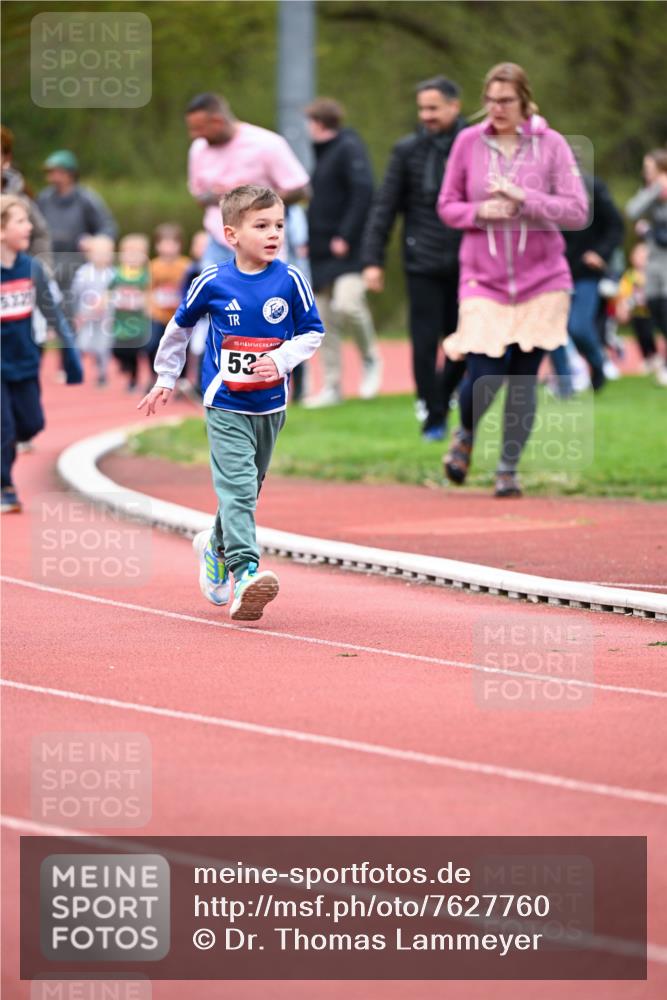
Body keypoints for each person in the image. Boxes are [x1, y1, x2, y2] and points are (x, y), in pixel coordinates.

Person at [138, 185, 325, 622]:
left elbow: (312, 333)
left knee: (248, 490)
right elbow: (179, 330)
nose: (273, 233)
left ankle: (215, 547)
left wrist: (279, 359)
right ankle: (245, 573)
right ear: (232, 234)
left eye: (279, 225)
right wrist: (166, 376)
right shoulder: (213, 282)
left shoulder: (292, 280)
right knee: (239, 488)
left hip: (271, 404)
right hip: (223, 402)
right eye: (261, 226)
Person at [437, 62, 588, 497]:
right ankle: (465, 432)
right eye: (490, 99)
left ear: (525, 101)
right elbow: (447, 206)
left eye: (505, 100)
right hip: (483, 281)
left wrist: (528, 200)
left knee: (523, 379)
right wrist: (480, 211)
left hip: (542, 279)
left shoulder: (552, 145)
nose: (496, 108)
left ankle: (508, 468)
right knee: (484, 373)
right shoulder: (468, 142)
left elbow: (577, 210)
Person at [362, 76, 467, 440]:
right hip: (421, 260)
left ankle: (442, 396)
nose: (426, 115)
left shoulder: (475, 146)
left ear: (455, 106)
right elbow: (385, 207)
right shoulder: (406, 150)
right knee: (423, 341)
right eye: (422, 108)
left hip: (468, 263)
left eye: (433, 108)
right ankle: (433, 411)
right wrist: (372, 260)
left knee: (462, 339)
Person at [1, 195, 83, 513]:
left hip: (25, 361)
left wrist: (70, 359)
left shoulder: (31, 268)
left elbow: (54, 315)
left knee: (30, 424)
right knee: (4, 429)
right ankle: (5, 487)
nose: (29, 226)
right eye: (20, 221)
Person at [302, 97, 381, 407]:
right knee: (323, 320)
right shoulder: (322, 155)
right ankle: (333, 387)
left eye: (310, 123)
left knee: (348, 305)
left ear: (319, 123)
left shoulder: (349, 147)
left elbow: (363, 192)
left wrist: (345, 234)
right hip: (320, 252)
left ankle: (371, 359)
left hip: (349, 251)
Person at [185, 93, 310, 269]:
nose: (194, 135)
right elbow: (199, 196)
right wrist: (221, 196)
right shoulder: (198, 149)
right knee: (216, 296)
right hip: (218, 242)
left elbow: (301, 191)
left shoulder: (266, 143)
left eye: (199, 128)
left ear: (217, 121)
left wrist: (251, 202)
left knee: (269, 295)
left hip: (264, 243)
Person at [550, 172, 624, 394]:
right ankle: (564, 385)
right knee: (552, 331)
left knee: (579, 327)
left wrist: (600, 253)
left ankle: (598, 363)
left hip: (585, 273)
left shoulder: (592, 189)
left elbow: (615, 225)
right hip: (552, 273)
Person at [37, 149, 117, 319]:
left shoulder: (86, 198)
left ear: (70, 174)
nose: (53, 177)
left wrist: (95, 241)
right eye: (50, 173)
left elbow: (108, 227)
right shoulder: (44, 199)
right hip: (50, 263)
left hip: (78, 267)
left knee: (75, 315)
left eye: (58, 172)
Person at [626, 148, 667, 387]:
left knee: (665, 308)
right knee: (653, 308)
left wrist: (649, 230)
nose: (646, 172)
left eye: (650, 168)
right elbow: (632, 210)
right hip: (653, 263)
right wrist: (654, 190)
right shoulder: (651, 192)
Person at [147, 223, 191, 386]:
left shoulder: (186, 266)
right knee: (152, 345)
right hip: (158, 315)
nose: (169, 247)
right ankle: (154, 376)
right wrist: (150, 307)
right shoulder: (153, 266)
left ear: (180, 245)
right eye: (165, 243)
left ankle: (183, 380)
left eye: (173, 243)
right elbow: (148, 289)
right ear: (157, 245)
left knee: (182, 347)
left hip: (180, 316)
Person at [71, 234, 115, 386]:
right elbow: (76, 292)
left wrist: (107, 301)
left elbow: (115, 293)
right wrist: (77, 312)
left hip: (106, 318)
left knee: (103, 346)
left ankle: (102, 373)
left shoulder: (112, 274)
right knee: (82, 343)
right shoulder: (83, 272)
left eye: (105, 253)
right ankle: (76, 369)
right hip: (86, 317)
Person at [110, 233, 151, 392]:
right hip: (120, 320)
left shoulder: (145, 275)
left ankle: (134, 379)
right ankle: (124, 364)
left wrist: (147, 304)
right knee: (116, 350)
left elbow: (149, 292)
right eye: (129, 252)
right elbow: (109, 289)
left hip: (137, 321)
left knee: (134, 352)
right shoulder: (118, 273)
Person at [616, 241, 663, 373]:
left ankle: (656, 357)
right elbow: (624, 293)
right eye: (638, 256)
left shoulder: (654, 273)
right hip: (637, 312)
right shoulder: (630, 275)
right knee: (641, 335)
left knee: (650, 334)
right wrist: (625, 305)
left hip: (653, 311)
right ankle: (648, 358)